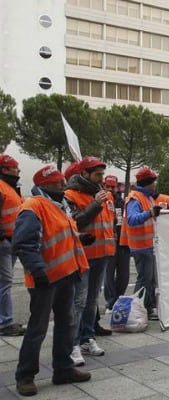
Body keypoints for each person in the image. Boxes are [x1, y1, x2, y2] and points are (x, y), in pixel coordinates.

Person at [13, 165, 92, 396]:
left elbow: (58, 234)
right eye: (58, 182)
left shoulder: (59, 205)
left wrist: (80, 237)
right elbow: (24, 244)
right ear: (45, 185)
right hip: (45, 280)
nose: (63, 185)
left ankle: (63, 369)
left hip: (65, 275)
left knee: (65, 325)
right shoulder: (33, 207)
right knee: (37, 328)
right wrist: (39, 273)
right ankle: (25, 376)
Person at [64, 156, 116, 364]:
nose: (101, 178)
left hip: (102, 254)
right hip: (83, 255)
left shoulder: (105, 194)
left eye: (102, 174)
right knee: (79, 301)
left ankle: (87, 338)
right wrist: (95, 204)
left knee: (92, 300)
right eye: (97, 174)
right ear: (84, 174)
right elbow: (75, 222)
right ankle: (73, 344)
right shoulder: (70, 195)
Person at [120, 167, 162, 320]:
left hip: (148, 245)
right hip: (141, 246)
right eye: (153, 181)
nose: (155, 184)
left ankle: (147, 308)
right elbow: (132, 219)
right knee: (144, 279)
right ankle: (137, 309)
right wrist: (150, 213)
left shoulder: (147, 197)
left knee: (149, 279)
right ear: (147, 183)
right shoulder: (135, 198)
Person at [0, 155, 25, 336]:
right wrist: (3, 238)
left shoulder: (10, 188)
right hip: (4, 243)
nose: (18, 170)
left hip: (11, 242)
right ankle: (4, 323)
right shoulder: (2, 187)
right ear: (5, 169)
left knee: (4, 283)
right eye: (15, 168)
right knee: (4, 282)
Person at [103, 175, 130, 315]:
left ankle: (117, 299)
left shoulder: (123, 202)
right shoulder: (100, 202)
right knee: (108, 275)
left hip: (123, 244)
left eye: (112, 187)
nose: (110, 189)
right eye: (107, 186)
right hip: (108, 244)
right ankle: (110, 303)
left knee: (124, 276)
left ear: (117, 187)